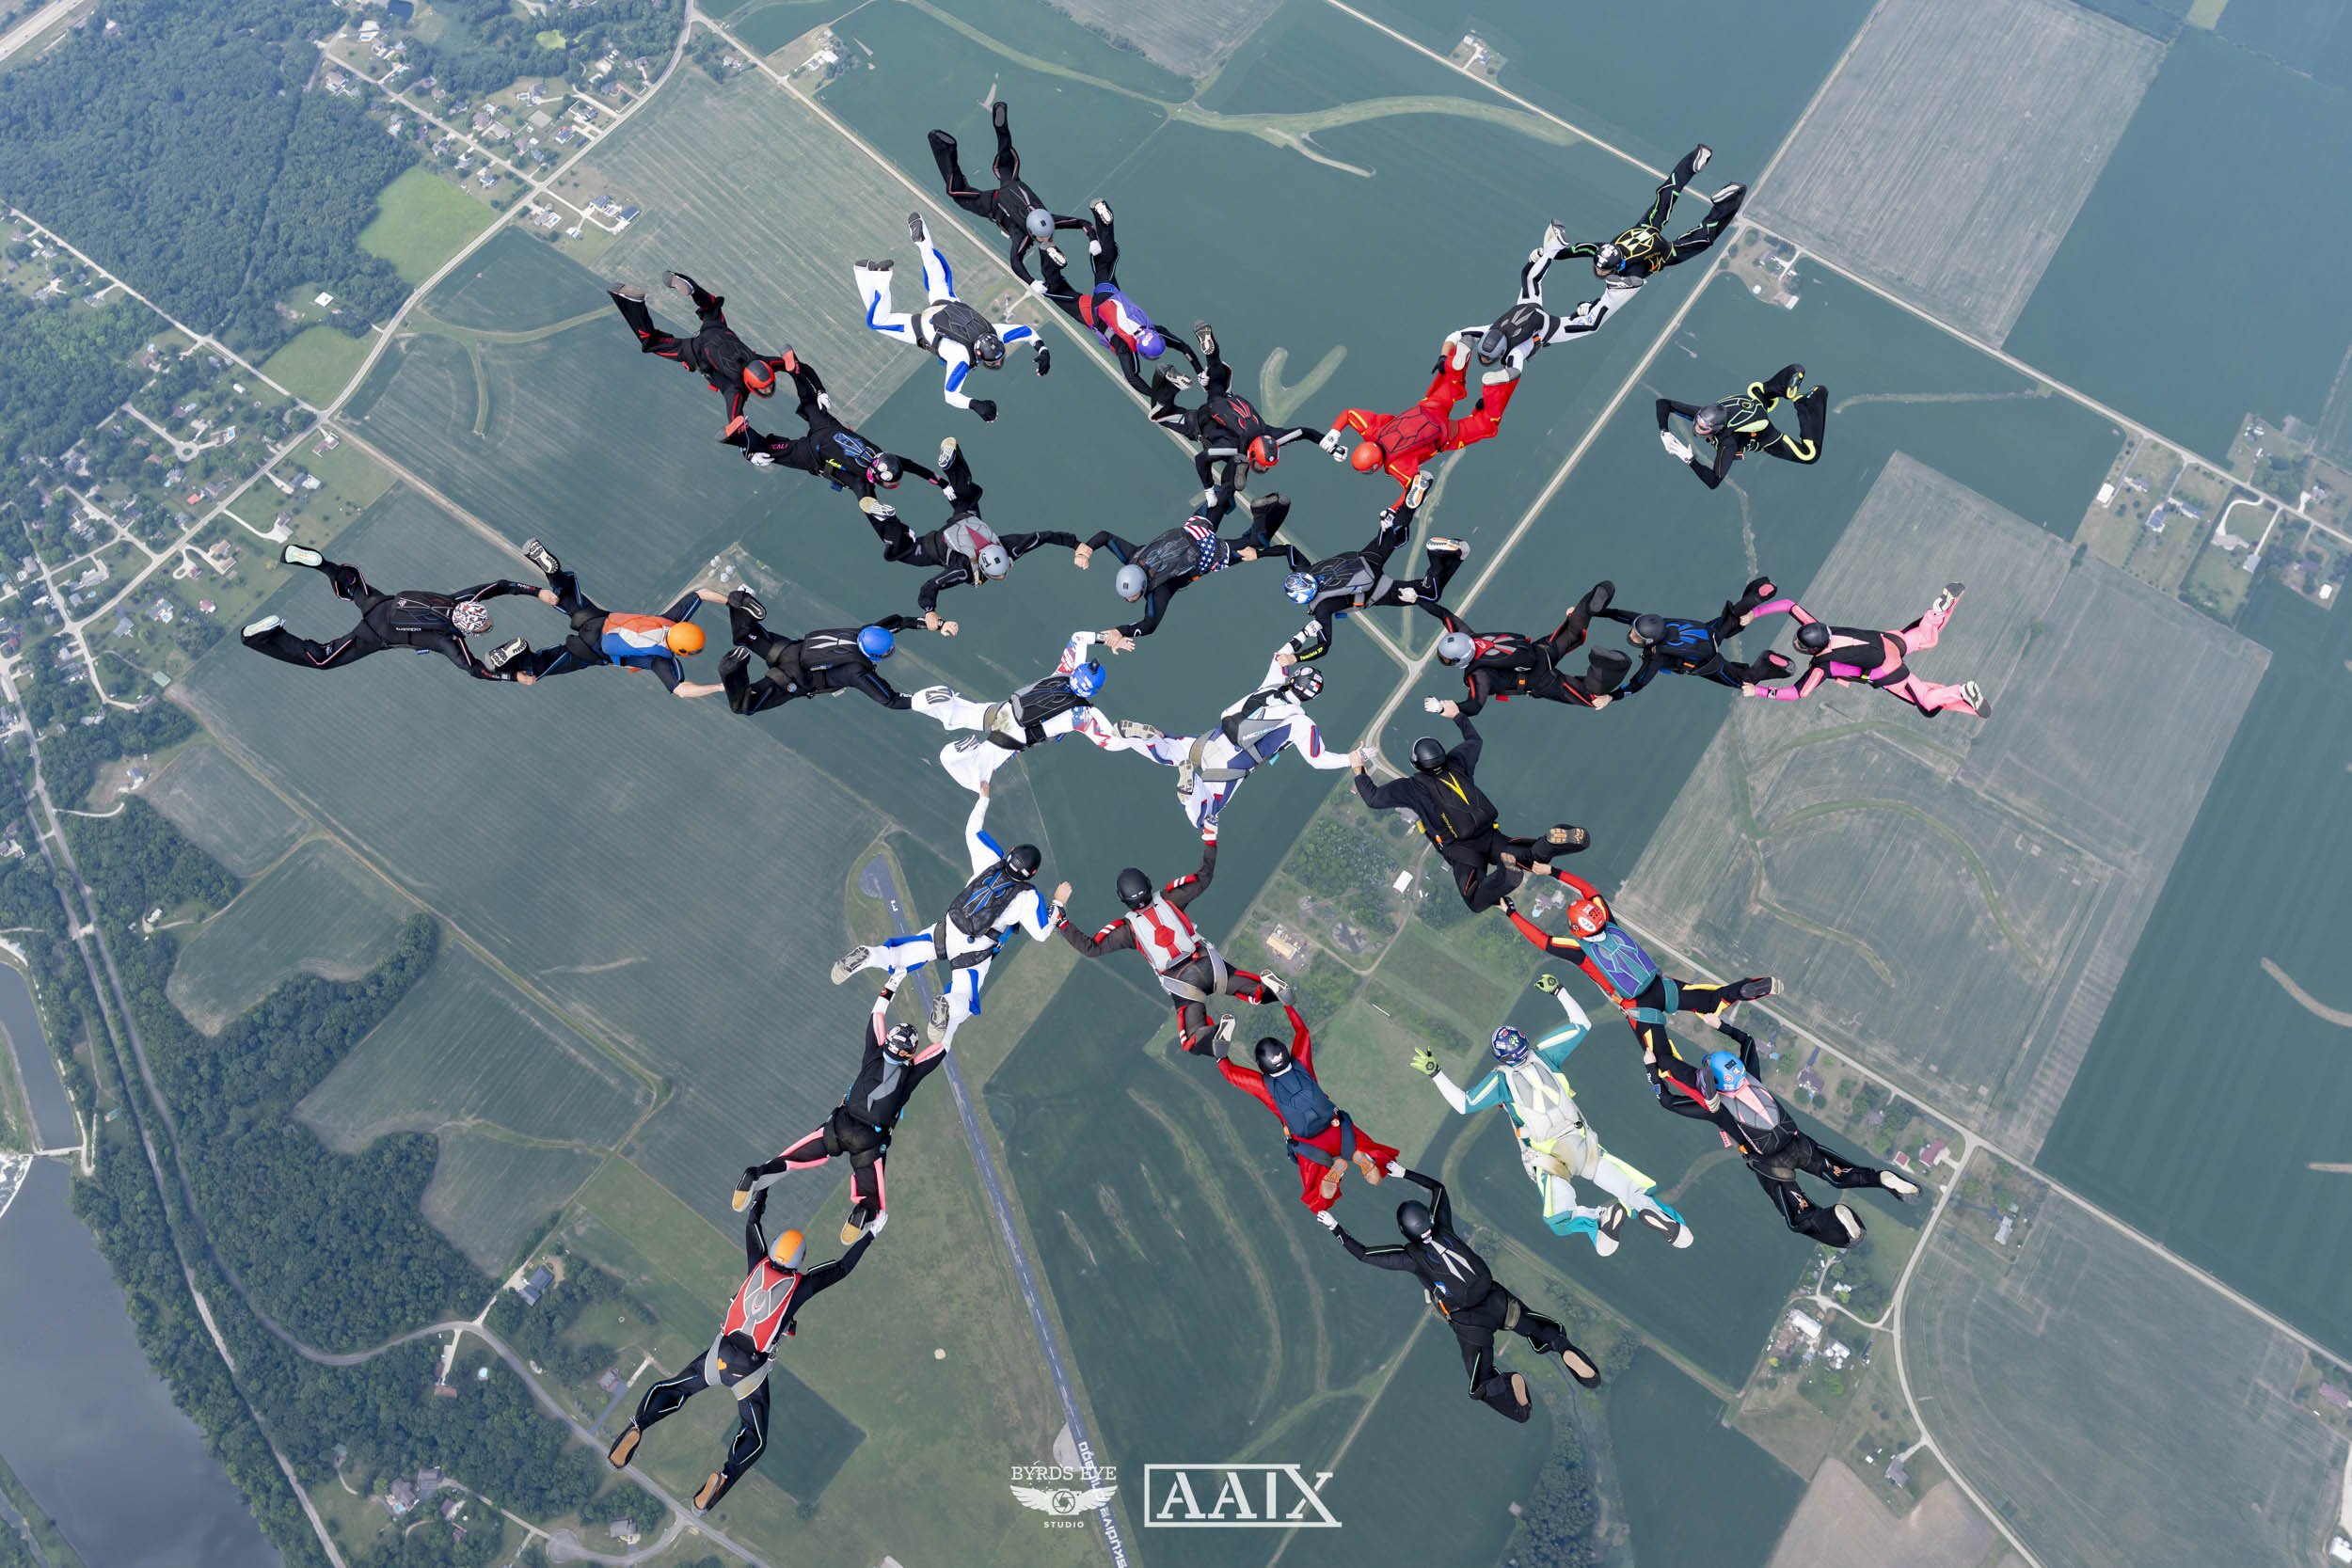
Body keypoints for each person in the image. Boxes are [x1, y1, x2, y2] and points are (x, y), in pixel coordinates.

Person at [604, 1185, 874, 1511]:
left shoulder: (757, 1262)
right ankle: (725, 1475)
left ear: (773, 1250)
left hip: (720, 1355)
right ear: (800, 1260)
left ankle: (637, 1426)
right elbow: (842, 1268)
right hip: (749, 1371)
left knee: (674, 1388)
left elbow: (752, 1224)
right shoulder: (801, 1286)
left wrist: (761, 1192)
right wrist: (870, 1234)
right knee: (755, 1437)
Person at [1414, 978, 1689, 1255]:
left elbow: (1464, 1103)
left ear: (1501, 1057)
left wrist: (1435, 1073)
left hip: (1548, 1157)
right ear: (1523, 1042)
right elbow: (1583, 1025)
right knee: (1632, 1189)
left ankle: (1598, 1220)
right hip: (1582, 1143)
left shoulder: (1500, 1081)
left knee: (1560, 1219)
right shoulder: (1544, 1053)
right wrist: (1560, 992)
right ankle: (1666, 1221)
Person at [1318, 1170, 1600, 1422]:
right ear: (1428, 1219)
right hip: (1496, 1299)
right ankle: (1561, 1345)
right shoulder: (1443, 1228)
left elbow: (1364, 1254)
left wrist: (1334, 1227)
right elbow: (1438, 1188)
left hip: (1469, 1322)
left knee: (1480, 1385)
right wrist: (1403, 1173)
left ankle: (1516, 1399)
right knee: (1539, 1329)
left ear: (1406, 1232)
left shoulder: (1411, 1257)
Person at [832, 787, 1073, 1046]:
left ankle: (867, 955)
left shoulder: (990, 858)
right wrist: (1058, 902)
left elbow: (973, 830)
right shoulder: (1028, 897)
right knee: (965, 1000)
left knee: (899, 956)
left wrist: (983, 798)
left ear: (1010, 852)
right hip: (977, 948)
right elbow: (1042, 933)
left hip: (948, 928)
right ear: (1032, 874)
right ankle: (945, 1004)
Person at [1646, 1032, 1916, 1246]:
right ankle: (1881, 1179)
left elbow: (1668, 1101)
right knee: (1841, 1174)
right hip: (1799, 1143)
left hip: (1771, 1163)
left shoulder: (1715, 1108)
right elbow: (1748, 1041)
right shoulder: (1752, 1077)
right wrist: (1720, 1025)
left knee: (1801, 1218)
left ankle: (1835, 1220)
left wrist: (1652, 1071)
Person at [1500, 865, 1774, 1065]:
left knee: (1662, 1059)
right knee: (1713, 997)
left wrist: (1511, 911)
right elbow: (1589, 889)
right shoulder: (1609, 921)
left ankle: (1693, 1080)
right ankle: (1745, 989)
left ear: (1576, 930)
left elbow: (1541, 940)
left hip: (1636, 1006)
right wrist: (1551, 871)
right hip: (1662, 986)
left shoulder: (1579, 950)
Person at [735, 988, 947, 1244]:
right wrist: (952, 1017)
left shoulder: (873, 1054)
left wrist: (892, 982)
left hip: (839, 1125)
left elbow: (877, 1014)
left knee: (790, 1159)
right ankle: (862, 1212)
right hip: (869, 1141)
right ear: (909, 1052)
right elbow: (939, 1049)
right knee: (873, 1201)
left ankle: (755, 1176)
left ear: (889, 1040)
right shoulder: (910, 1074)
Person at [1059, 831, 1285, 1055]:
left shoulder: (1125, 930)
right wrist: (1210, 839)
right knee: (1248, 989)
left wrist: (1061, 920)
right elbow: (1204, 877)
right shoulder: (1171, 897)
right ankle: (1270, 990)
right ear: (1148, 885)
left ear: (1123, 899)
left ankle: (1216, 1035)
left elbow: (1090, 948)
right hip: (1208, 964)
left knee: (1193, 1040)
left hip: (1182, 983)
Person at [1350, 712, 1587, 911]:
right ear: (1442, 755)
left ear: (1417, 765)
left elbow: (1372, 798)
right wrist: (1456, 714)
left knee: (1474, 900)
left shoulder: (1411, 787)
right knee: (1529, 856)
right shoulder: (1457, 762)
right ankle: (1548, 843)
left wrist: (1358, 767)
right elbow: (1475, 740)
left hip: (1461, 850)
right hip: (1491, 835)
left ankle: (1507, 875)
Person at [1122, 647, 1353, 834]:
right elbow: (1318, 760)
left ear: (1293, 677)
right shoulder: (1302, 723)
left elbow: (1281, 656)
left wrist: (1306, 634)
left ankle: (1147, 739)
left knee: (1171, 749)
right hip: (1232, 765)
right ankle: (1191, 789)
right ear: (1313, 697)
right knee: (1204, 817)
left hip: (1212, 738)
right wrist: (1351, 759)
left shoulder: (1272, 684)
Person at [241, 543, 537, 681]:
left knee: (355, 589)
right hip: (374, 634)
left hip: (384, 604)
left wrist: (536, 592)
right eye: (484, 628)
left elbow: (497, 586)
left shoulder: (457, 600)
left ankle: (323, 565)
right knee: (322, 659)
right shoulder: (449, 640)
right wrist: (514, 677)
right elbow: (475, 669)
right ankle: (261, 637)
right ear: (469, 629)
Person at [855, 212, 1049, 423]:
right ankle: (881, 279)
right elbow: (950, 396)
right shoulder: (962, 359)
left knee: (938, 278)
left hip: (947, 304)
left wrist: (1042, 349)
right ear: (980, 357)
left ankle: (923, 243)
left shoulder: (996, 332)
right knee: (878, 322)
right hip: (922, 328)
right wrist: (976, 405)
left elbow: (1028, 332)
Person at [862, 436, 1082, 621]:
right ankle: (887, 519)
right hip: (935, 547)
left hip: (967, 519)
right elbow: (930, 586)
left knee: (968, 496)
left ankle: (952, 465)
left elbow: (1042, 537)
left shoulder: (1010, 548)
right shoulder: (964, 571)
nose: (1003, 575)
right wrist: (929, 611)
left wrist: (1076, 544)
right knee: (901, 551)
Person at [911, 627, 1151, 793]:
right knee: (976, 777)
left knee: (964, 713)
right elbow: (1110, 742)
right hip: (1012, 737)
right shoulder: (1083, 715)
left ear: (1079, 671)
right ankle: (953, 751)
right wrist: (1136, 734)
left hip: (1004, 710)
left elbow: (1078, 637)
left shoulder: (1064, 671)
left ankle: (938, 703)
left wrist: (1107, 639)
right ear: (1093, 692)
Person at [1216, 1002, 1403, 1212]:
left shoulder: (1264, 1086)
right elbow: (1302, 1031)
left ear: (1261, 1065)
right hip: (1338, 1129)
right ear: (1284, 1053)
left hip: (1309, 1145)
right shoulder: (1301, 1064)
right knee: (1377, 1171)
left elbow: (1229, 1073)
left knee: (1320, 1198)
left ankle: (1336, 1171)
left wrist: (1220, 1053)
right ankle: (1361, 1158)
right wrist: (1287, 1004)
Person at [1549, 144, 1744, 338]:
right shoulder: (1601, 249)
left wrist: (1587, 308)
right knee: (1666, 194)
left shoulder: (1631, 271)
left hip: (1663, 252)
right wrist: (1549, 254)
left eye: (1603, 270)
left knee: (1703, 239)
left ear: (1617, 265)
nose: (1599, 271)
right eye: (1600, 267)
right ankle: (1695, 159)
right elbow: (1577, 250)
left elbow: (1611, 300)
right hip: (1646, 228)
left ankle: (1731, 198)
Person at [488, 540, 727, 697]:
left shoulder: (671, 620)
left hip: (597, 620)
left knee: (567, 596)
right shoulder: (660, 660)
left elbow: (701, 594)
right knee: (542, 665)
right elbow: (682, 690)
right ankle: (519, 654)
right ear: (682, 650)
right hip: (592, 651)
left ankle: (554, 574)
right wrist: (718, 687)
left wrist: (732, 602)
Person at [1320, 340, 1520, 511]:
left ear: (1375, 465)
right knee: (1448, 383)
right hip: (1428, 409)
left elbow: (1412, 489)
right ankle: (1457, 361)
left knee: (1486, 425)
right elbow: (1349, 414)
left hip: (1444, 434)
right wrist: (1333, 434)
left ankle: (1496, 387)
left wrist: (1393, 510)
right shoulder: (1372, 431)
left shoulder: (1396, 465)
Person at [1281, 478, 1466, 662]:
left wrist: (1296, 658)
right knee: (1395, 535)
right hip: (1365, 560)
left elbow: (1323, 647)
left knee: (1430, 594)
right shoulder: (1306, 569)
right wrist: (1257, 552)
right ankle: (1409, 504)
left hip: (1376, 590)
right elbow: (1287, 549)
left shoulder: (1322, 609)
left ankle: (1435, 555)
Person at [1074, 489, 1296, 639]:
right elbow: (1105, 536)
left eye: (1131, 595)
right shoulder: (1132, 555)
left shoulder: (1159, 590)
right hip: (1194, 529)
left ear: (1142, 586)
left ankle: (1263, 514)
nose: (1128, 599)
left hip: (1211, 554)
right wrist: (1087, 551)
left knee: (1254, 546)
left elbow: (1149, 624)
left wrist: (1120, 632)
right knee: (1217, 499)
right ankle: (1238, 462)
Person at [1036, 200, 1201, 400]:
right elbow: (1133, 378)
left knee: (1106, 259)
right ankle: (1046, 252)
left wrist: (1200, 370)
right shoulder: (1126, 347)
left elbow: (1183, 345)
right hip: (1092, 313)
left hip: (1109, 293)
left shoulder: (1156, 331)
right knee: (1055, 290)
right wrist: (1154, 396)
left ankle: (1102, 220)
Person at [1741, 583, 1987, 718]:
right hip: (1888, 641)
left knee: (1926, 703)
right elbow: (1788, 605)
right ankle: (1936, 613)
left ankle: (1960, 691)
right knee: (1924, 636)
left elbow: (1798, 693)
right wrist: (1754, 613)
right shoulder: (1820, 626)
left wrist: (1758, 691)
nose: (1797, 646)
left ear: (1812, 650)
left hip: (1888, 671)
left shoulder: (1822, 667)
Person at [1147, 320, 1330, 498]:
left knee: (1216, 373)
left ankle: (1210, 352)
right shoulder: (1231, 449)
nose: (1262, 468)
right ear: (1251, 453)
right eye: (1260, 465)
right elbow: (1201, 459)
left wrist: (1328, 444)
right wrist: (1209, 489)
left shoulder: (1274, 438)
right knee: (1160, 414)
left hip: (1224, 400)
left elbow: (1303, 432)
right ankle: (1170, 382)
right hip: (1199, 423)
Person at [608, 271, 795, 439]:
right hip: (695, 352)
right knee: (652, 343)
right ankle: (633, 303)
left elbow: (786, 364)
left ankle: (685, 284)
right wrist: (731, 432)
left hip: (717, 331)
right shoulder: (736, 390)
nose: (768, 390)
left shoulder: (763, 363)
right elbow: (734, 415)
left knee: (711, 306)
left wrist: (791, 362)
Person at [725, 356, 927, 508]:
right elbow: (868, 502)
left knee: (810, 401)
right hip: (813, 454)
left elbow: (910, 464)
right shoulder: (863, 483)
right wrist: (882, 516)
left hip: (828, 427)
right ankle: (743, 439)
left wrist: (942, 484)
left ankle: (794, 372)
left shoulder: (877, 452)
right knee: (769, 453)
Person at [927, 100, 1088, 292]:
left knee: (1006, 160)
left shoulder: (1050, 220)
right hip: (994, 205)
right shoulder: (1023, 236)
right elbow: (1016, 262)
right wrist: (1032, 282)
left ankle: (1000, 126)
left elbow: (1080, 222)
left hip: (1012, 186)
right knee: (957, 192)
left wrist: (1093, 239)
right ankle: (947, 149)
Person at [1418, 585, 1629, 716]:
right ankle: (1584, 609)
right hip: (1540, 650)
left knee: (1591, 697)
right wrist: (1416, 599)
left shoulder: (1478, 675)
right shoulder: (1468, 635)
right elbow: (1444, 615)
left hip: (1540, 680)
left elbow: (1474, 706)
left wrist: (1444, 707)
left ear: (1461, 659)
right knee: (1572, 631)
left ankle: (1606, 665)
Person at [715, 590, 927, 716]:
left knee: (745, 635)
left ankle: (740, 602)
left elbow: (895, 623)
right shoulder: (857, 671)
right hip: (793, 678)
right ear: (875, 656)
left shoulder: (863, 632)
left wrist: (928, 623)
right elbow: (890, 700)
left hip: (788, 649)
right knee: (743, 705)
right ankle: (731, 671)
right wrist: (922, 700)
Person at [1595, 575, 1791, 698]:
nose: (1632, 634)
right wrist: (1597, 612)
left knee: (1744, 681)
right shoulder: (1654, 622)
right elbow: (1622, 615)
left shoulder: (1656, 656)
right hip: (1706, 634)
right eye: (1634, 630)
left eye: (1637, 636)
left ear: (1650, 641)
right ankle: (1754, 596)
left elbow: (1638, 683)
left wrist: (1612, 696)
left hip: (1707, 662)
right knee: (1732, 619)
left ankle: (1767, 662)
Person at [1657, 363, 1827, 491]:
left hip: (1765, 437)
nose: (1697, 428)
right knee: (1761, 399)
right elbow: (1664, 404)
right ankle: (1780, 383)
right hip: (1752, 404)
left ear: (1716, 429)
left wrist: (1689, 459)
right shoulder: (1702, 415)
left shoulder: (1728, 443)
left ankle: (1809, 402)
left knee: (1809, 455)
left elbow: (1713, 481)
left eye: (1704, 428)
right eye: (1698, 421)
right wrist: (1664, 431)